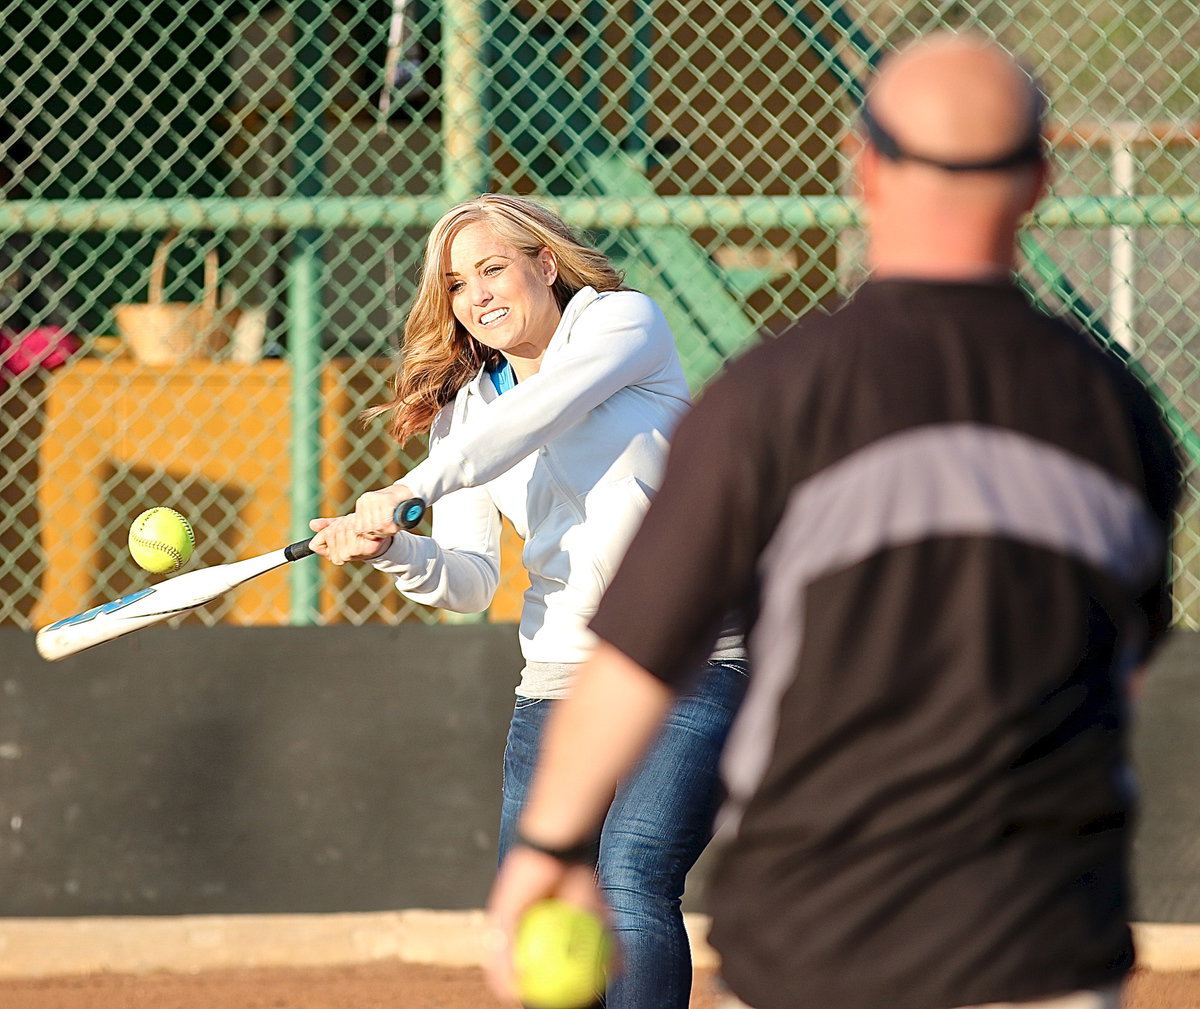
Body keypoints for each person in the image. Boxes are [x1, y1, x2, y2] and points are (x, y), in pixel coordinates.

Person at [485, 33, 1182, 1009]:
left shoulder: (772, 396)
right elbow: (1124, 667)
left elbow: (638, 655)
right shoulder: (1118, 411)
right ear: (1038, 180)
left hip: (819, 941)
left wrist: (549, 847)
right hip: (1047, 941)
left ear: (865, 170)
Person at [309, 193, 747, 1009]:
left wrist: (410, 486)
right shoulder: (465, 412)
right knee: (541, 906)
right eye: (456, 284)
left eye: (491, 268)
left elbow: (544, 412)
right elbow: (471, 580)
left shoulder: (622, 325)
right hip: (561, 670)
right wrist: (396, 547)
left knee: (630, 871)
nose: (476, 295)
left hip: (693, 656)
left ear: (545, 264)